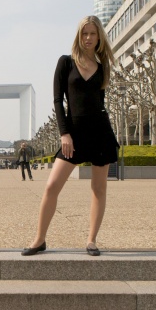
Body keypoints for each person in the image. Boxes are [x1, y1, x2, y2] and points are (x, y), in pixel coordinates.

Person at [21, 15, 119, 257]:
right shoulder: (66, 62)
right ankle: (39, 239)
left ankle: (92, 240)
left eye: (93, 33)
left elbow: (99, 102)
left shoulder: (102, 67)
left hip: (100, 133)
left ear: (99, 37)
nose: (88, 38)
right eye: (84, 33)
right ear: (79, 35)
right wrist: (64, 133)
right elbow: (58, 100)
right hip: (73, 134)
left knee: (99, 189)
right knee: (51, 186)